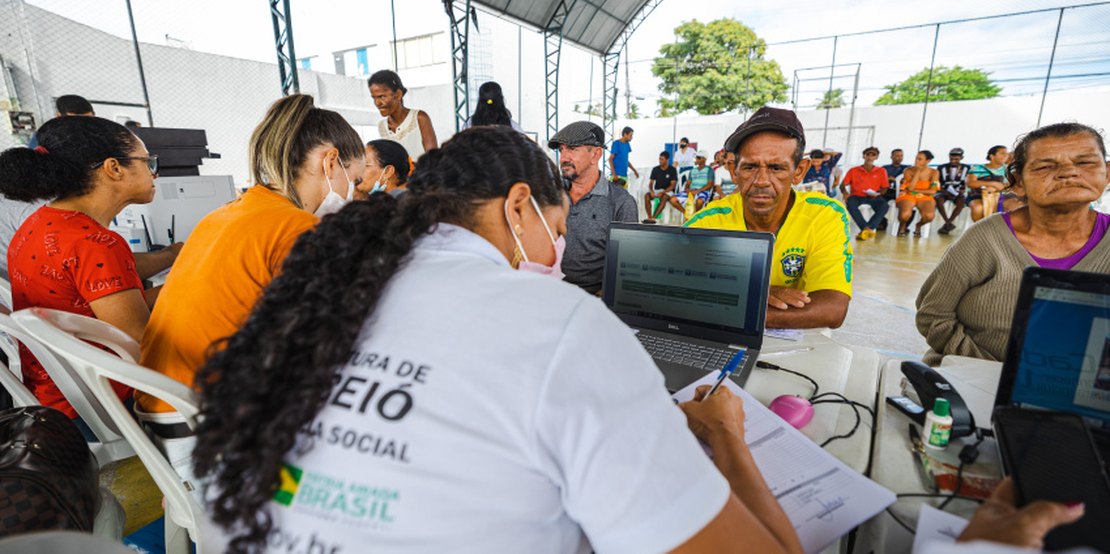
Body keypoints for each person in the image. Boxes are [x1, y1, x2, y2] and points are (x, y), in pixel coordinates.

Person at [192, 127, 803, 554]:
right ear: (518, 206)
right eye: (556, 229)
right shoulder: (560, 324)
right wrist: (724, 431)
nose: (556, 253)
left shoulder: (315, 294)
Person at [137, 94, 365, 417]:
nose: (352, 194)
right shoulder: (296, 227)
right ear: (330, 162)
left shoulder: (226, 213)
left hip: (163, 404)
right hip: (209, 418)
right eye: (354, 180)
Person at [0, 116, 159, 421]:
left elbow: (102, 301)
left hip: (61, 393)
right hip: (103, 402)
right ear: (114, 168)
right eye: (147, 162)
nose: (154, 173)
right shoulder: (95, 242)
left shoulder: (40, 224)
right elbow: (141, 341)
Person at [917, 122, 1110, 365]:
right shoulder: (985, 238)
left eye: (1084, 162)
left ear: (1107, 172)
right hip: (969, 377)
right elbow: (933, 315)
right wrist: (999, 375)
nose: (1068, 172)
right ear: (1018, 181)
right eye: (1046, 166)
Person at [686, 107, 852, 330]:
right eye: (750, 167)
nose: (762, 180)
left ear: (799, 171)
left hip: (799, 344)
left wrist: (731, 301)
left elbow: (831, 309)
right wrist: (758, 292)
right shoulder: (708, 220)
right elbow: (671, 291)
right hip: (725, 338)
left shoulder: (825, 214)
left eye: (776, 168)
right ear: (734, 171)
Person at [548, 121, 637, 294]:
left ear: (596, 154)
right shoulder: (550, 194)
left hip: (592, 298)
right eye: (561, 150)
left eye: (572, 149)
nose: (564, 158)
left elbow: (627, 266)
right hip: (548, 291)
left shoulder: (621, 203)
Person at [370, 69, 437, 158]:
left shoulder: (419, 118)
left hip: (422, 172)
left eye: (381, 96)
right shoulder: (382, 126)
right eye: (374, 98)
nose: (377, 103)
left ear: (398, 94)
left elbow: (433, 158)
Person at [839, 146, 890, 241]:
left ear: (876, 157)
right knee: (850, 203)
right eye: (868, 155)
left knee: (884, 206)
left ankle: (866, 228)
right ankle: (867, 228)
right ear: (864, 156)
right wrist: (845, 192)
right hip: (856, 196)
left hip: (873, 196)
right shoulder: (853, 170)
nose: (870, 157)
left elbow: (885, 188)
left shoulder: (881, 171)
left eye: (873, 155)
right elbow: (842, 185)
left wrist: (879, 194)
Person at [896, 150, 939, 237]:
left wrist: (917, 191)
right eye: (916, 158)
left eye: (920, 159)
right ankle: (903, 224)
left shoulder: (934, 172)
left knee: (929, 216)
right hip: (908, 195)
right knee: (905, 215)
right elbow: (910, 188)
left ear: (928, 161)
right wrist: (917, 172)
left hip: (924, 197)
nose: (916, 161)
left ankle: (918, 225)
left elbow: (933, 191)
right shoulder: (907, 170)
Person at [967, 145, 1010, 222]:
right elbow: (970, 183)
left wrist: (1001, 187)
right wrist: (993, 183)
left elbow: (1011, 184)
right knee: (978, 208)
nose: (1005, 155)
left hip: (1000, 195)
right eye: (1002, 153)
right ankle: (979, 230)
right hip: (977, 195)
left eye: (1006, 154)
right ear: (992, 156)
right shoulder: (978, 168)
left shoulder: (1008, 169)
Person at [935, 148, 970, 235]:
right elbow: (936, 182)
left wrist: (963, 189)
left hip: (958, 192)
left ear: (962, 158)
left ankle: (948, 222)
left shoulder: (967, 168)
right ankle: (947, 222)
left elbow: (968, 182)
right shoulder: (941, 168)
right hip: (944, 191)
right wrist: (945, 191)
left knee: (962, 201)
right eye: (951, 159)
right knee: (939, 199)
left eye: (956, 159)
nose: (953, 161)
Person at [643, 151, 682, 224]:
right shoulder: (655, 169)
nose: (660, 161)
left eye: (662, 159)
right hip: (657, 190)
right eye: (659, 159)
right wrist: (651, 191)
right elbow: (651, 183)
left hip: (668, 191)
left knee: (664, 197)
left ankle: (654, 218)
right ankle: (649, 217)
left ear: (667, 160)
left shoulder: (672, 170)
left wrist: (663, 192)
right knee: (647, 196)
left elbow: (672, 185)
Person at [877, 148, 907, 231]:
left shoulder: (906, 168)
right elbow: (879, 180)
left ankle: (904, 225)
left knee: (908, 205)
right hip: (887, 191)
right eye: (897, 156)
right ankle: (882, 221)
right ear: (892, 157)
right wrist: (887, 179)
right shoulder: (885, 168)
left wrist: (896, 180)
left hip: (901, 192)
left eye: (901, 156)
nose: (899, 158)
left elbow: (908, 180)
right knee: (878, 202)